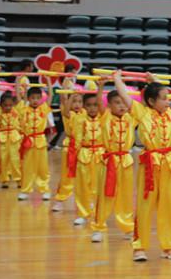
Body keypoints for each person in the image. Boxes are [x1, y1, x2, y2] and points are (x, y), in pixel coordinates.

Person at [114, 71, 171, 262]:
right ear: (152, 102)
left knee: (168, 206)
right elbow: (125, 97)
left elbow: (159, 92)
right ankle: (139, 247)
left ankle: (169, 247)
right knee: (145, 206)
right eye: (164, 99)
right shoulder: (142, 112)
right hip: (150, 165)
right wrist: (117, 79)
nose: (168, 102)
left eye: (168, 98)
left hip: (168, 164)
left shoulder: (168, 113)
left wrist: (154, 80)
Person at [90, 89, 136, 243]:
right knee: (105, 197)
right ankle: (98, 227)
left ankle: (128, 227)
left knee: (125, 197)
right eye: (117, 103)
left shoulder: (131, 118)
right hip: (109, 162)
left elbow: (142, 107)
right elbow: (99, 104)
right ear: (108, 105)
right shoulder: (105, 117)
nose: (122, 106)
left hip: (126, 162)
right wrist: (101, 86)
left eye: (123, 102)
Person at [69, 92, 105, 227]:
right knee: (82, 186)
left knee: (99, 187)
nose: (92, 108)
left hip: (100, 154)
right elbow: (77, 138)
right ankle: (83, 213)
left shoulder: (104, 118)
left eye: (95, 105)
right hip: (84, 154)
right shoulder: (79, 119)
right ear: (84, 106)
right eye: (89, 105)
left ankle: (99, 214)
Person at [17, 81, 52, 201]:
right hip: (28, 141)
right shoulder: (23, 109)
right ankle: (25, 190)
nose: (35, 100)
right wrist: (18, 81)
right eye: (32, 98)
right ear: (28, 98)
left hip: (40, 141)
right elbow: (18, 96)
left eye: (38, 98)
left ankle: (45, 190)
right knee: (27, 167)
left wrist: (47, 81)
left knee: (43, 167)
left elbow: (51, 96)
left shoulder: (44, 108)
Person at [50, 89, 83, 213]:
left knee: (85, 176)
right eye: (74, 101)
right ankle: (59, 200)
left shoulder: (85, 113)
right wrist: (68, 89)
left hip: (84, 149)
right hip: (70, 147)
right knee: (67, 176)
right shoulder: (68, 113)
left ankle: (87, 200)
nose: (77, 104)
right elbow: (64, 102)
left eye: (80, 102)